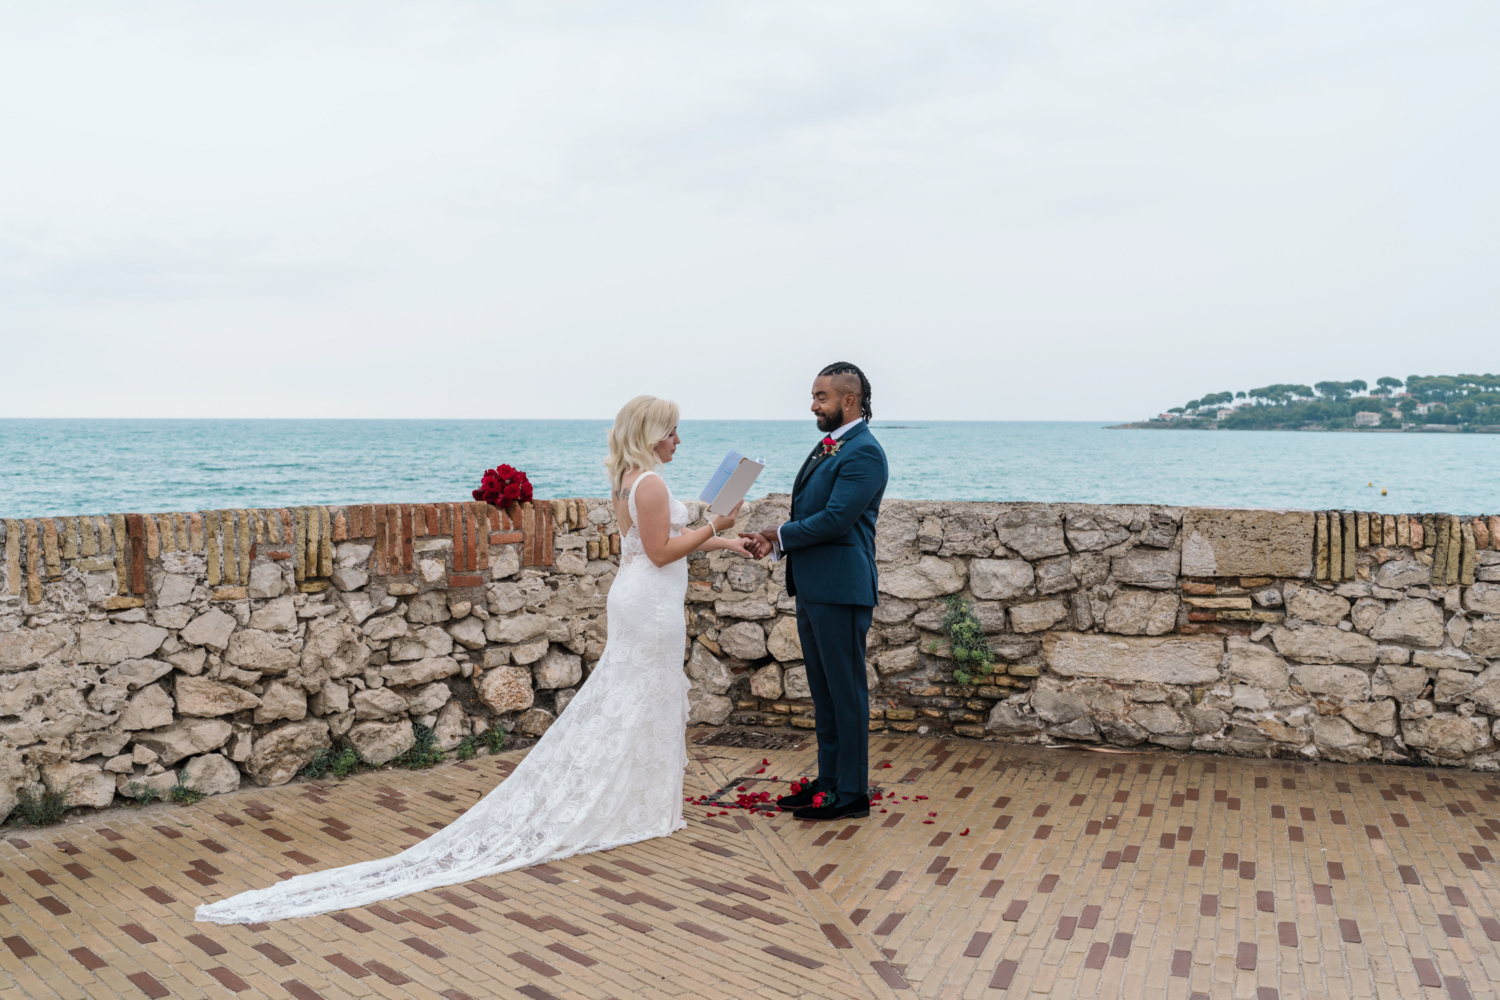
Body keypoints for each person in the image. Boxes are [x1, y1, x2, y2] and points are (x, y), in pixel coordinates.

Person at [196, 395, 753, 924]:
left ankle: (637, 801)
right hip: (651, 605)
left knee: (636, 695)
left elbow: (656, 543)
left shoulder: (630, 479)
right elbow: (660, 551)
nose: (679, 438)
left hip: (640, 598)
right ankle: (634, 805)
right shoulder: (650, 481)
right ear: (651, 434)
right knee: (639, 694)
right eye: (673, 429)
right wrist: (717, 525)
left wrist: (724, 543)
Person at [742, 362, 888, 821]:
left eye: (821, 397)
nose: (813, 405)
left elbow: (836, 520)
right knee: (824, 693)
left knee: (846, 693)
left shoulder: (863, 452)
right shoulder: (834, 445)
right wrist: (779, 536)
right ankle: (829, 783)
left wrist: (778, 534)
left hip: (842, 589)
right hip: (814, 587)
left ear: (849, 400)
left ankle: (852, 793)